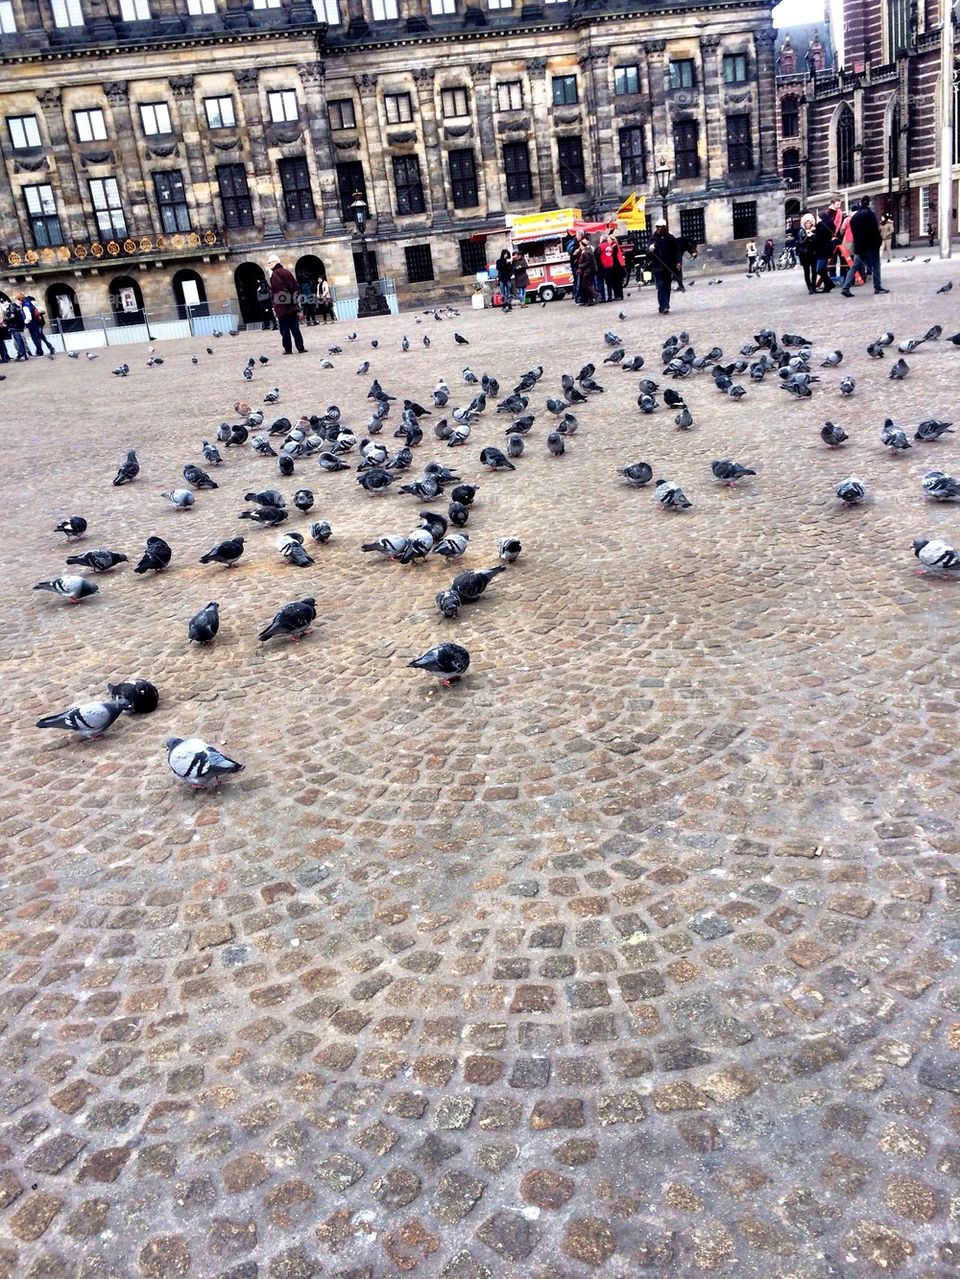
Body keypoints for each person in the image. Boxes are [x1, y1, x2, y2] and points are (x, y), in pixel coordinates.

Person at [841, 194, 888, 297]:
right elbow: (874, 231)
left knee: (854, 266)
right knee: (876, 266)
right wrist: (878, 241)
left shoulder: (854, 217)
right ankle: (877, 287)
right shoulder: (870, 214)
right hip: (871, 246)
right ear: (869, 203)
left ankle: (846, 287)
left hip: (859, 246)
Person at [267, 253, 306, 354]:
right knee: (295, 328)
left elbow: (280, 290)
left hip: (282, 308)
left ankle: (288, 349)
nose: (268, 264)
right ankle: (300, 348)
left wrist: (283, 303)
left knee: (284, 330)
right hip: (292, 306)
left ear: (275, 262)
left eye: (269, 262)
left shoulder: (275, 274)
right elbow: (296, 287)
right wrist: (294, 300)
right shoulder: (287, 272)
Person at [647, 219, 679, 314]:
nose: (658, 229)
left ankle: (665, 305)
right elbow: (648, 250)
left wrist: (678, 262)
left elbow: (676, 251)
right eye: (657, 227)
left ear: (664, 227)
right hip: (658, 267)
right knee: (661, 286)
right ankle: (663, 306)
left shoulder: (670, 238)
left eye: (660, 227)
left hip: (668, 267)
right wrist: (650, 249)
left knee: (667, 286)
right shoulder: (653, 238)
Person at [813, 208, 839, 292]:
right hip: (826, 248)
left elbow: (818, 238)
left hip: (822, 249)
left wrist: (813, 235)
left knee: (820, 269)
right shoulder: (828, 224)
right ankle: (828, 285)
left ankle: (829, 284)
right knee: (822, 268)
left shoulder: (821, 226)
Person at [797, 212, 818, 293]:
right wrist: (807, 235)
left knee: (814, 271)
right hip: (805, 254)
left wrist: (812, 235)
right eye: (807, 222)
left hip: (813, 253)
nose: (808, 224)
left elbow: (816, 241)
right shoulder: (801, 231)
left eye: (810, 222)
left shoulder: (814, 231)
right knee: (807, 271)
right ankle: (809, 287)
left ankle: (814, 286)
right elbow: (801, 242)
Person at [577, 238, 598, 305]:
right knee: (589, 285)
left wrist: (581, 265)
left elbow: (588, 262)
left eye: (580, 245)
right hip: (591, 270)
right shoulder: (589, 250)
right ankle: (590, 301)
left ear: (583, 245)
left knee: (586, 286)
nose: (580, 246)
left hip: (588, 271)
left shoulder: (586, 252)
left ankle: (595, 295)